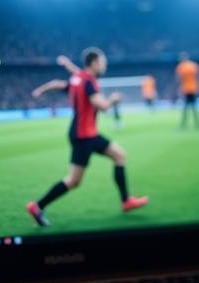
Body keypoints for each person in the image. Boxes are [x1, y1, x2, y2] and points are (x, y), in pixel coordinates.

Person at [27, 47, 148, 225]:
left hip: (86, 133)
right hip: (84, 136)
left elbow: (59, 84)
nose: (105, 65)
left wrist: (42, 89)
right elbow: (102, 106)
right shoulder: (89, 82)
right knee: (73, 181)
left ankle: (126, 201)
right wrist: (113, 99)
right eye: (103, 62)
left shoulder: (78, 78)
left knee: (119, 155)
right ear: (94, 63)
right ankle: (37, 206)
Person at [175, 53, 199, 129]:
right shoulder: (194, 65)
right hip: (194, 88)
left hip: (186, 89)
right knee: (194, 107)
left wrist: (179, 90)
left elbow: (179, 79)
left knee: (186, 108)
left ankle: (184, 125)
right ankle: (198, 124)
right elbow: (198, 77)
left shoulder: (180, 67)